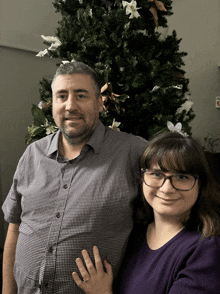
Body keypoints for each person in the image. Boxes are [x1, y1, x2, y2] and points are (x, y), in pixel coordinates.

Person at [2, 62, 147, 294]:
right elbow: (15, 227)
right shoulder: (33, 154)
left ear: (100, 103)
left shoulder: (133, 152)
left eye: (81, 95)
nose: (70, 106)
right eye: (62, 96)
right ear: (52, 104)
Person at [72, 132, 220, 294]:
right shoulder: (133, 232)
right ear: (142, 177)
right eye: (157, 174)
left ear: (201, 185)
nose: (166, 188)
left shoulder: (205, 250)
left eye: (182, 176)